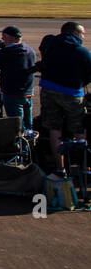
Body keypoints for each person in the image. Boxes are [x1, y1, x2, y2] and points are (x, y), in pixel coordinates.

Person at [36, 22, 91, 175]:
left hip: (48, 90)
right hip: (72, 93)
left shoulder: (50, 44)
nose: (83, 37)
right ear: (75, 33)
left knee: (55, 129)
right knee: (79, 129)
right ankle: (84, 166)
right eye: (82, 34)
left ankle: (60, 168)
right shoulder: (81, 52)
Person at [0, 26, 37, 130]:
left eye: (4, 37)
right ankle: (30, 143)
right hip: (28, 91)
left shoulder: (7, 52)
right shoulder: (30, 50)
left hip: (12, 93)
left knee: (17, 125)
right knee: (28, 123)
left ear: (10, 37)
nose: (2, 39)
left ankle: (21, 145)